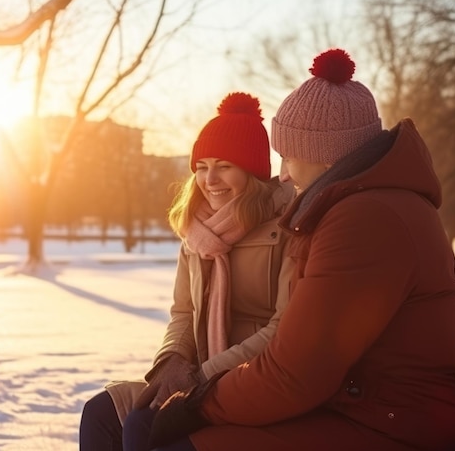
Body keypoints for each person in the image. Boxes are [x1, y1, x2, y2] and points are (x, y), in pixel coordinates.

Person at [147, 48, 455, 451]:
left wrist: (198, 402)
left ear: (325, 155)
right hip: (352, 406)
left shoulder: (365, 218)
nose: (282, 172)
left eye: (290, 155)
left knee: (172, 442)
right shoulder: (358, 208)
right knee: (129, 423)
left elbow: (295, 371)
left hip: (384, 426)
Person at [79, 92, 295, 451]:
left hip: (249, 381)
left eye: (224, 165)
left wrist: (202, 377)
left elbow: (282, 329)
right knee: (102, 412)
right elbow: (183, 313)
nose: (210, 180)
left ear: (252, 171)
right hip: (199, 374)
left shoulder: (285, 229)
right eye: (201, 167)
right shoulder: (196, 234)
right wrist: (172, 361)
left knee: (145, 425)